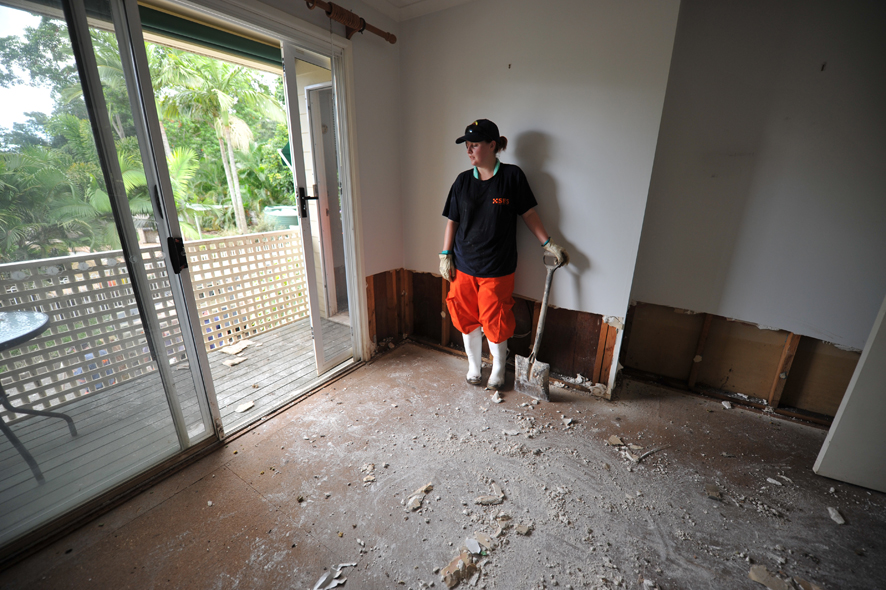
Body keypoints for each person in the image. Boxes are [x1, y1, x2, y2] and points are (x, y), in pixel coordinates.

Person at [440, 119, 569, 389]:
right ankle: (474, 366)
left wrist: (548, 244)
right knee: (465, 316)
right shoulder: (462, 181)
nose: (469, 150)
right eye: (467, 145)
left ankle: (498, 368)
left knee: (495, 319)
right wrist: (445, 254)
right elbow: (452, 220)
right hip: (463, 265)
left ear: (492, 145)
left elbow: (528, 213)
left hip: (497, 267)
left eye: (474, 145)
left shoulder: (512, 177)